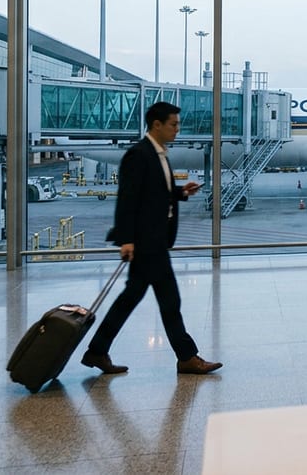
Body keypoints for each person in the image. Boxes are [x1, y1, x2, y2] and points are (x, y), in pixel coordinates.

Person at [80, 101, 223, 375]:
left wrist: (181, 192)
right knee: (167, 302)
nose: (178, 130)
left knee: (136, 299)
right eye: (173, 124)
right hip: (146, 242)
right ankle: (187, 357)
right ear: (156, 124)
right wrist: (127, 239)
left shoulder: (159, 154)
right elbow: (128, 199)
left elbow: (155, 194)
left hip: (155, 240)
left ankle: (97, 351)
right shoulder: (139, 154)